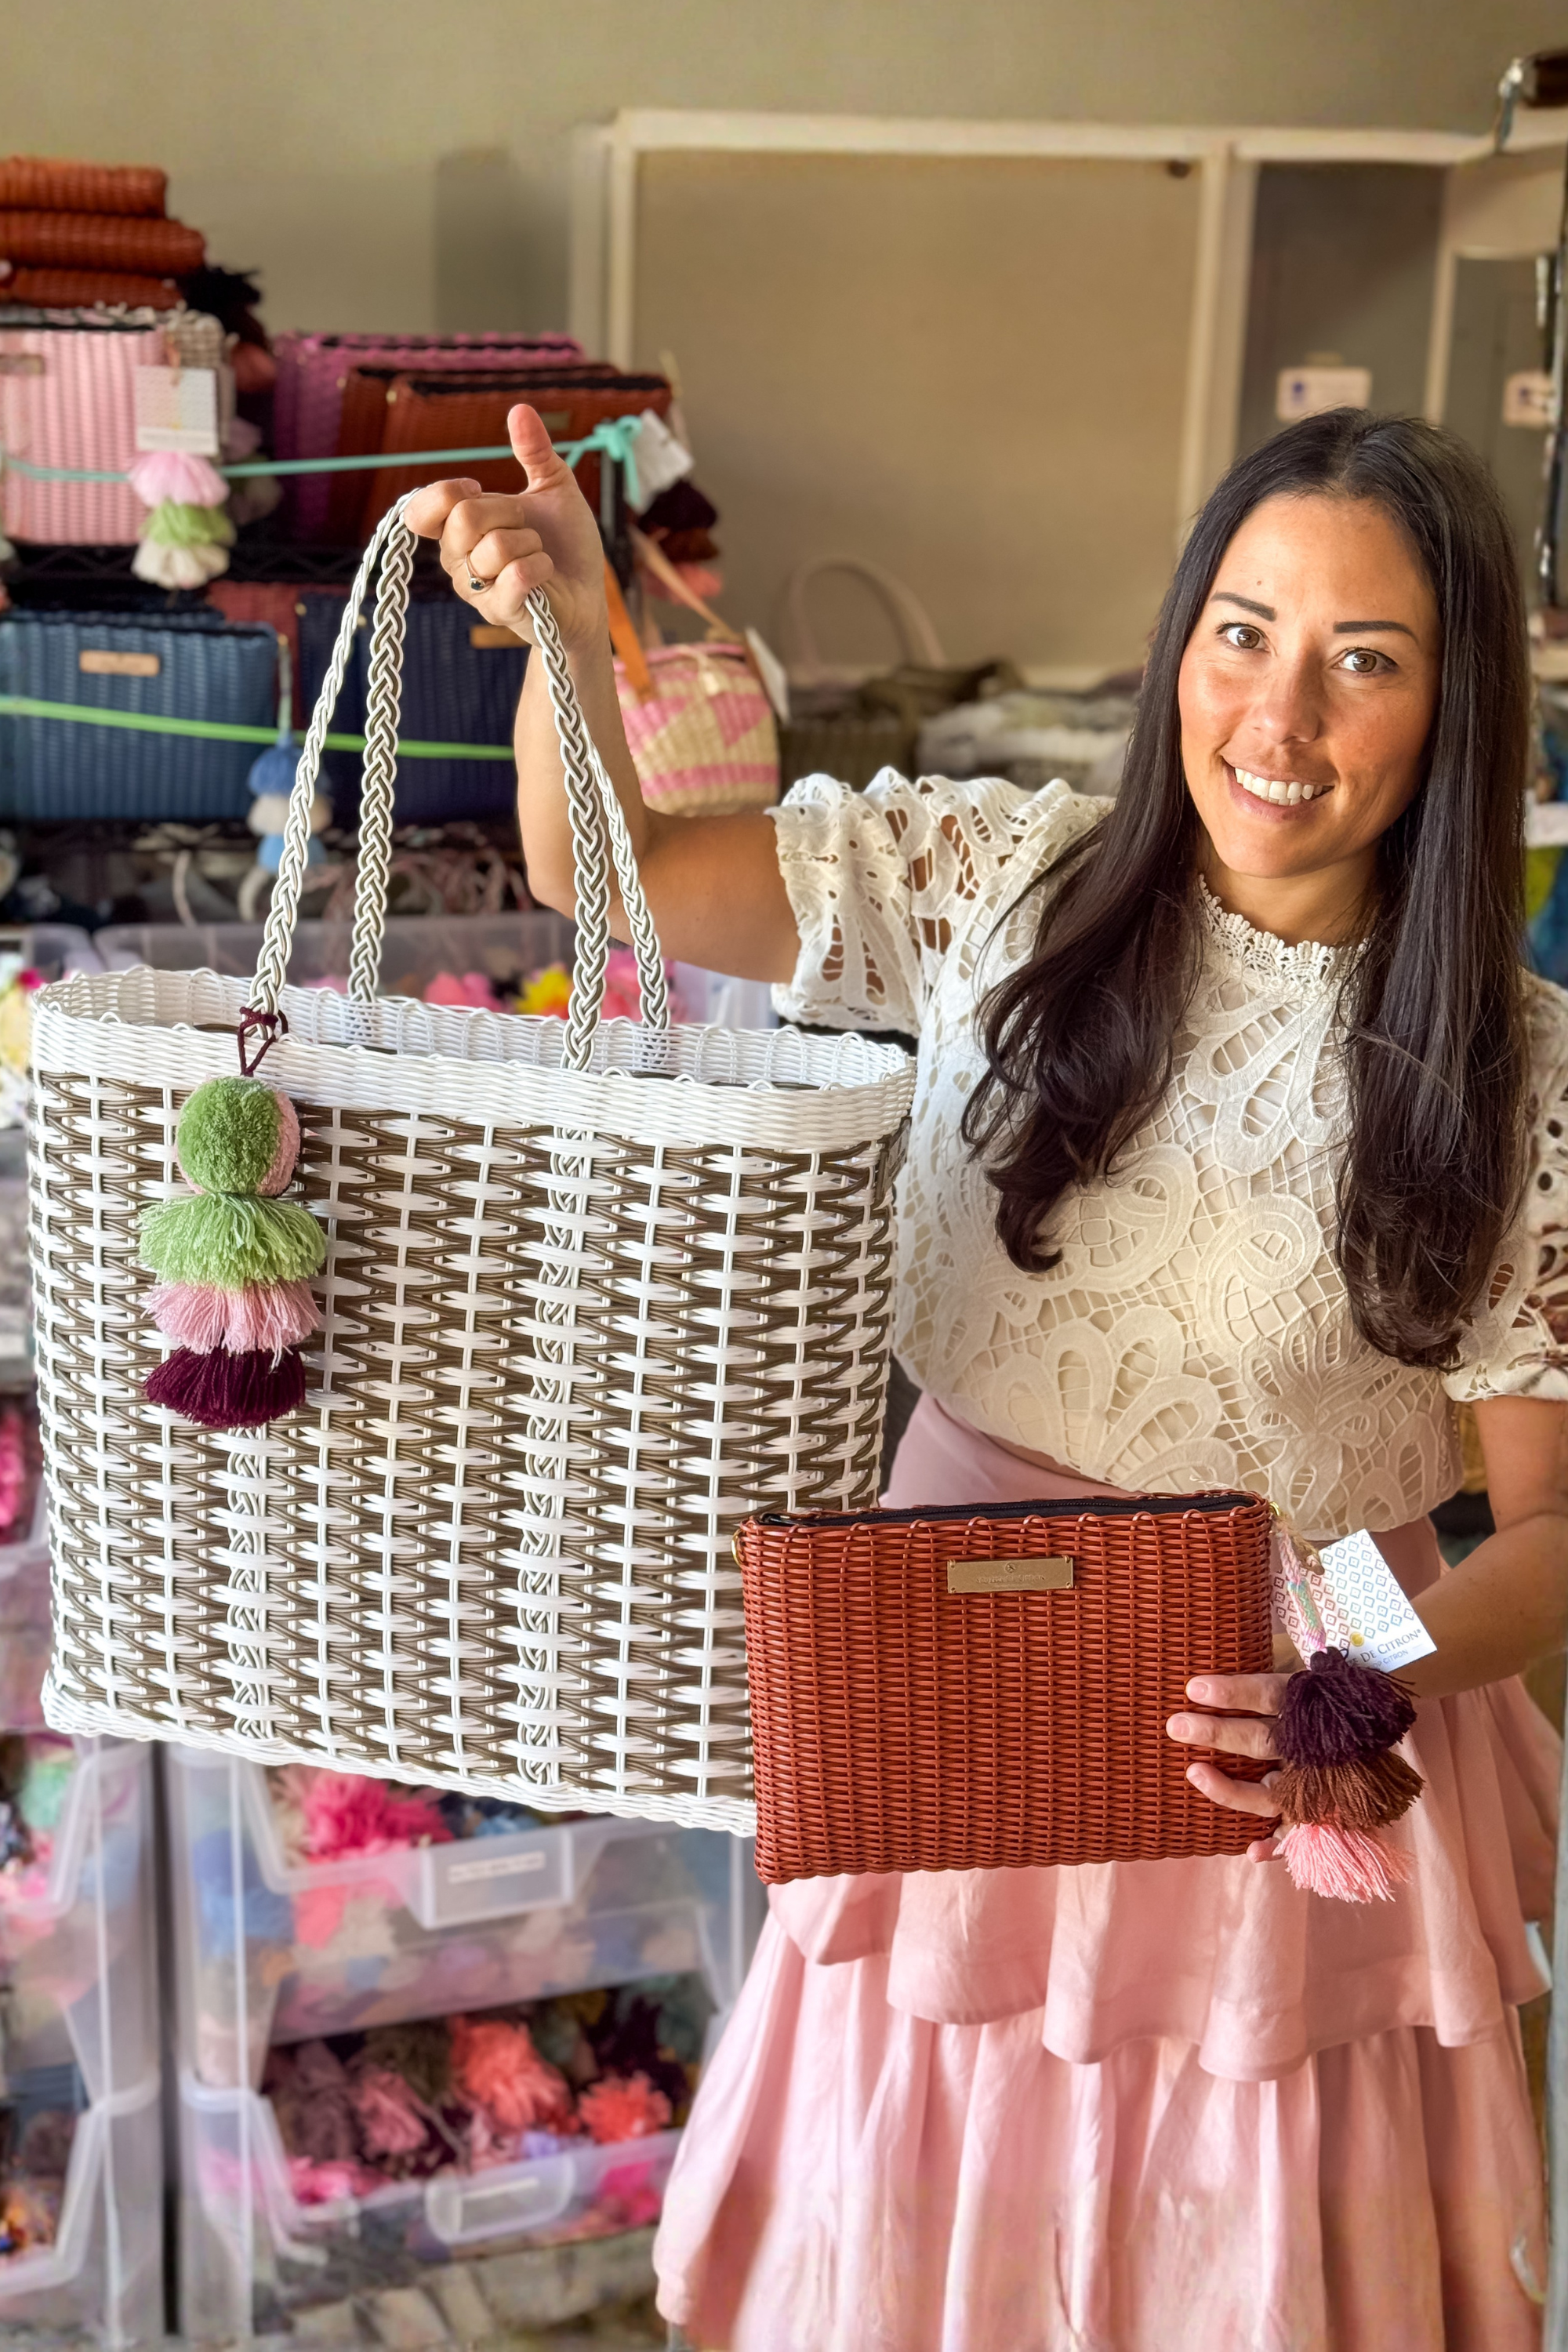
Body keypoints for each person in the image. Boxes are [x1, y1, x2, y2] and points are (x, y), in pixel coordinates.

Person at [408, 404, 1568, 2352]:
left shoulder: (1518, 1067)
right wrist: (570, 639)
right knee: (919, 2276)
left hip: (1278, 1770)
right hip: (944, 1726)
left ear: (1455, 711)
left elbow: (1540, 1529)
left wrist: (1363, 1665)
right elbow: (608, 888)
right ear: (1180, 643)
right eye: (1239, 632)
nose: (1276, 716)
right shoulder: (999, 882)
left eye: (1362, 661)